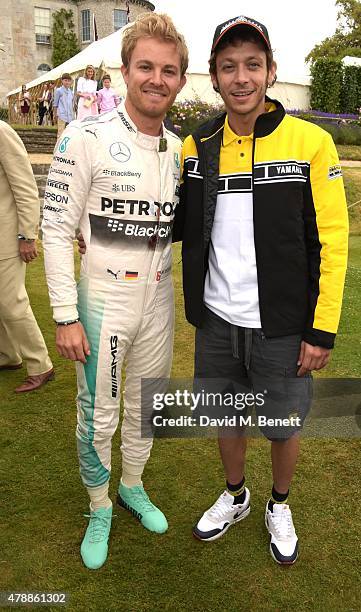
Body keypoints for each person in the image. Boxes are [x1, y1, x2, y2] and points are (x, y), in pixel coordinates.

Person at [174, 16, 349, 564]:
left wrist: (320, 329)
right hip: (218, 319)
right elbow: (177, 220)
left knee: (280, 424)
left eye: (253, 65)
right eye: (229, 67)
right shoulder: (196, 143)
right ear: (214, 76)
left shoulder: (312, 143)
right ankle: (236, 496)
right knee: (225, 416)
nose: (241, 77)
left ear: (271, 72)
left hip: (283, 323)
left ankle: (278, 503)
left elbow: (333, 241)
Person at [42, 13, 187, 570]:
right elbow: (55, 229)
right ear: (125, 71)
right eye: (146, 66)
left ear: (179, 79)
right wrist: (63, 313)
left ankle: (131, 485)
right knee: (98, 412)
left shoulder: (180, 149)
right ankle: (98, 504)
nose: (157, 78)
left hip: (159, 299)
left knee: (146, 406)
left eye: (168, 70)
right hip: (103, 299)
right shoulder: (87, 136)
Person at [0, 121, 54, 392]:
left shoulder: (1, 132)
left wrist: (27, 235)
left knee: (12, 303)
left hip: (6, 237)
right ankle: (8, 356)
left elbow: (25, 187)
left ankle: (41, 365)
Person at [53, 73, 74, 138]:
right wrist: (55, 114)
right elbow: (55, 104)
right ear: (62, 81)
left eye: (68, 80)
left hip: (69, 116)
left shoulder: (71, 92)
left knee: (69, 133)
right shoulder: (59, 91)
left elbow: (71, 104)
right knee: (60, 133)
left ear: (70, 81)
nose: (67, 82)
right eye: (65, 80)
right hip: (62, 115)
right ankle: (58, 147)